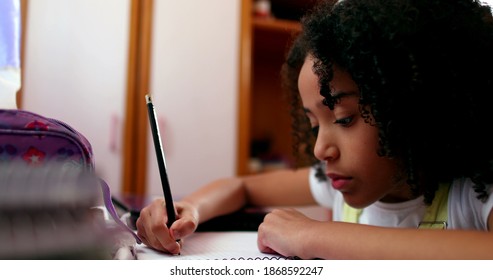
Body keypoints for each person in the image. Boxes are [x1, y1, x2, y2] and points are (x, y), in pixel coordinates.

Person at [137, 0, 493, 259]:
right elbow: (242, 187)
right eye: (312, 124)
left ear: (415, 105)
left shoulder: (471, 195)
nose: (321, 149)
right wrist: (191, 207)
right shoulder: (335, 185)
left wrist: (314, 235)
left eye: (343, 118)